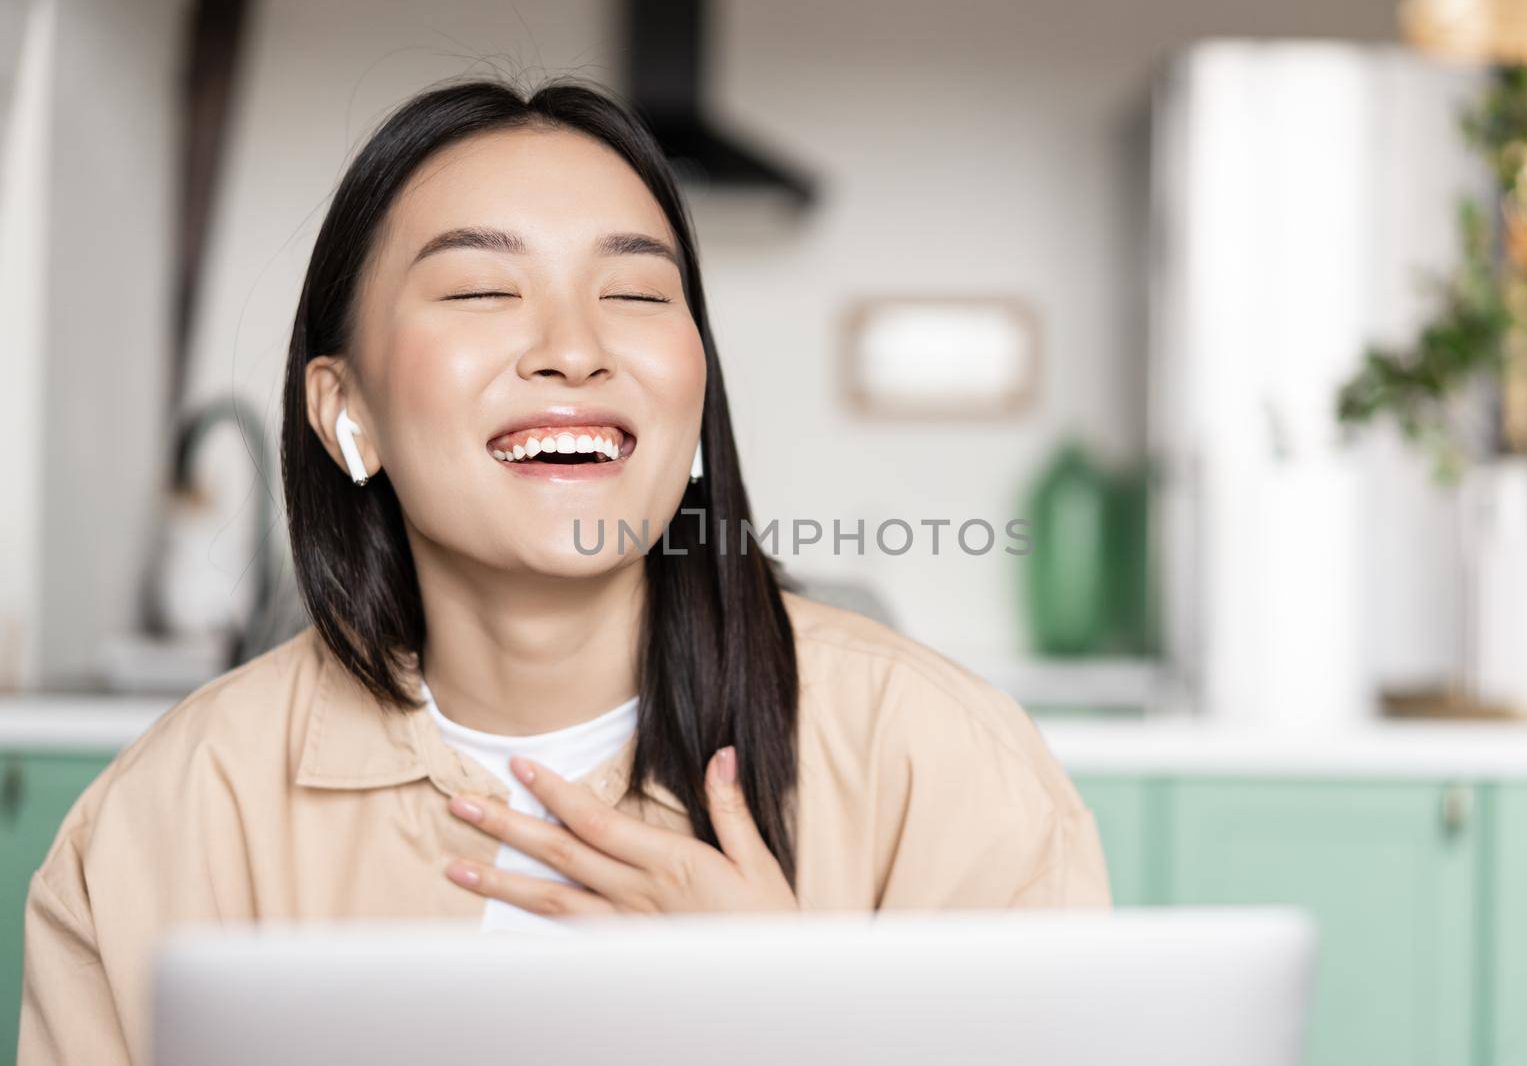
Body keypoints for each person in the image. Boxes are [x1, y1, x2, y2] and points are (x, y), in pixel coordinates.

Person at [17, 76, 1109, 1066]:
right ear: (346, 408)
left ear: (691, 403)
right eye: (483, 292)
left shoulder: (947, 766)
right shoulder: (165, 819)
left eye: (636, 295)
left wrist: (796, 1017)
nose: (574, 347)